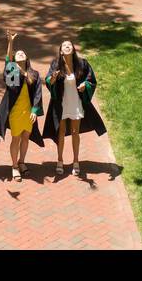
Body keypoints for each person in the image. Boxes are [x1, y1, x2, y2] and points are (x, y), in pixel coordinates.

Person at [43, 39, 105, 178]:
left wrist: (85, 85)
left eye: (69, 45)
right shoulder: (56, 64)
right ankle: (60, 161)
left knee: (75, 132)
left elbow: (91, 81)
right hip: (61, 103)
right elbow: (48, 80)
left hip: (76, 102)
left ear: (73, 49)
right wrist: (52, 79)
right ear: (60, 51)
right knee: (61, 132)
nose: (67, 46)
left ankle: (76, 162)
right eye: (64, 45)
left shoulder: (82, 64)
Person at [0, 30, 43, 182]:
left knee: (26, 137)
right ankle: (14, 166)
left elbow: (38, 93)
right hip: (15, 111)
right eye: (17, 54)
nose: (20, 54)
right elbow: (8, 62)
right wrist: (10, 43)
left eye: (22, 53)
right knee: (16, 138)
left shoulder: (34, 74)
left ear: (27, 58)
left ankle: (22, 162)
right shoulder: (12, 70)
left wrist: (35, 110)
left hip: (28, 111)